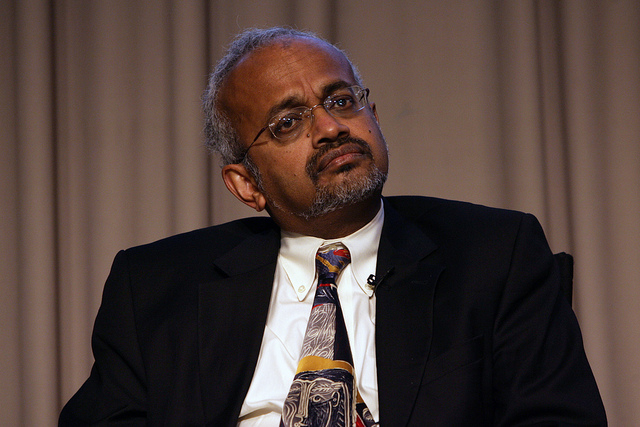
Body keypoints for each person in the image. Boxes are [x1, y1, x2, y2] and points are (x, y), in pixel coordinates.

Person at [59, 27, 606, 426]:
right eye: (287, 122)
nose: (329, 127)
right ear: (246, 184)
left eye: (341, 100)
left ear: (374, 118)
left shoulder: (495, 255)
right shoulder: (154, 286)